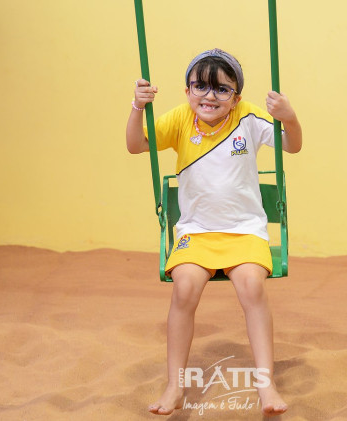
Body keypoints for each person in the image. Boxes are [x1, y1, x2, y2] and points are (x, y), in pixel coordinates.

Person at [126, 48, 302, 417]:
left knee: (252, 286)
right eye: (200, 87)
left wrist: (289, 117)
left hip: (244, 231)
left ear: (236, 97)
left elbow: (291, 145)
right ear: (187, 90)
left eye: (222, 89)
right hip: (197, 232)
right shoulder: (180, 119)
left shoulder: (248, 117)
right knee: (184, 288)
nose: (210, 96)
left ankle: (265, 382)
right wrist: (137, 107)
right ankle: (175, 385)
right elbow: (135, 145)